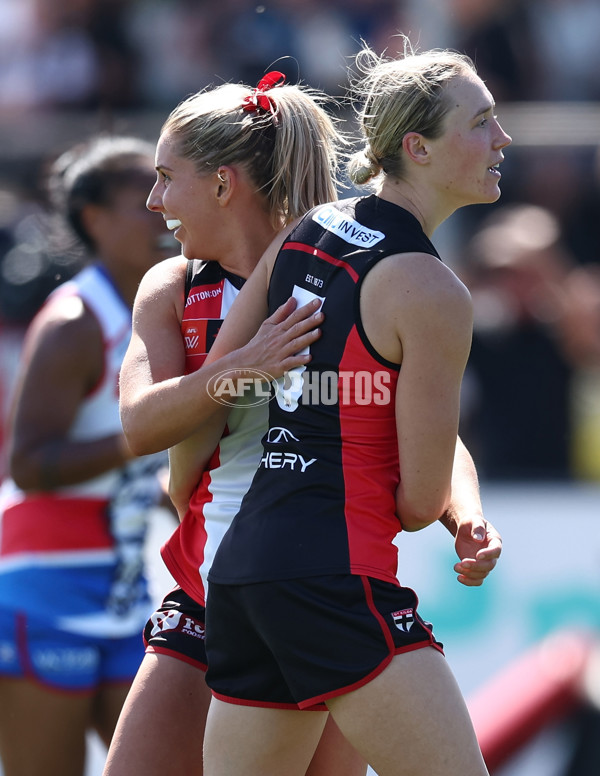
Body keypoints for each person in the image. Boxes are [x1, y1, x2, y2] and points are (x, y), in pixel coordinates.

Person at [170, 39, 510, 776]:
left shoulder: (310, 226)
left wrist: (467, 502)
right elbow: (419, 500)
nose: (502, 139)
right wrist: (453, 513)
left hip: (243, 573)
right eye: (481, 122)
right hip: (335, 576)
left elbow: (223, 377)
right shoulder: (431, 291)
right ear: (416, 146)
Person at [105, 74, 368, 776]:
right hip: (205, 590)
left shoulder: (348, 278)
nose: (154, 200)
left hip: (326, 593)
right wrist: (241, 367)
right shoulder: (175, 285)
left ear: (223, 185)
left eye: (166, 178)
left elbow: (425, 419)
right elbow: (140, 424)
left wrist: (462, 512)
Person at [0, 135, 174, 776]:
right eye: (143, 200)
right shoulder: (75, 319)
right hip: (44, 586)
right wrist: (149, 429)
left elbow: (130, 461)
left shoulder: (163, 307)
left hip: (124, 584)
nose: (163, 209)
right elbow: (30, 464)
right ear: (94, 219)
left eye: (167, 188)